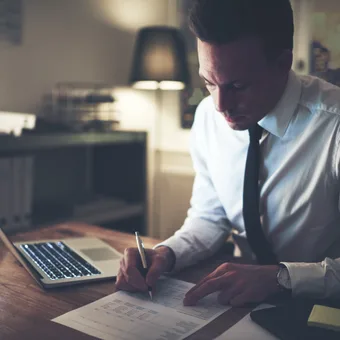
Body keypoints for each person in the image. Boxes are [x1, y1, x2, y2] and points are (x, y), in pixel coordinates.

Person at [116, 0, 340, 307]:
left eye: (238, 85)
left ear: (283, 63)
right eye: (209, 82)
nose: (221, 105)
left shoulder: (334, 125)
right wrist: (167, 254)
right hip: (240, 306)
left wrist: (281, 278)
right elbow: (210, 219)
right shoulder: (208, 116)